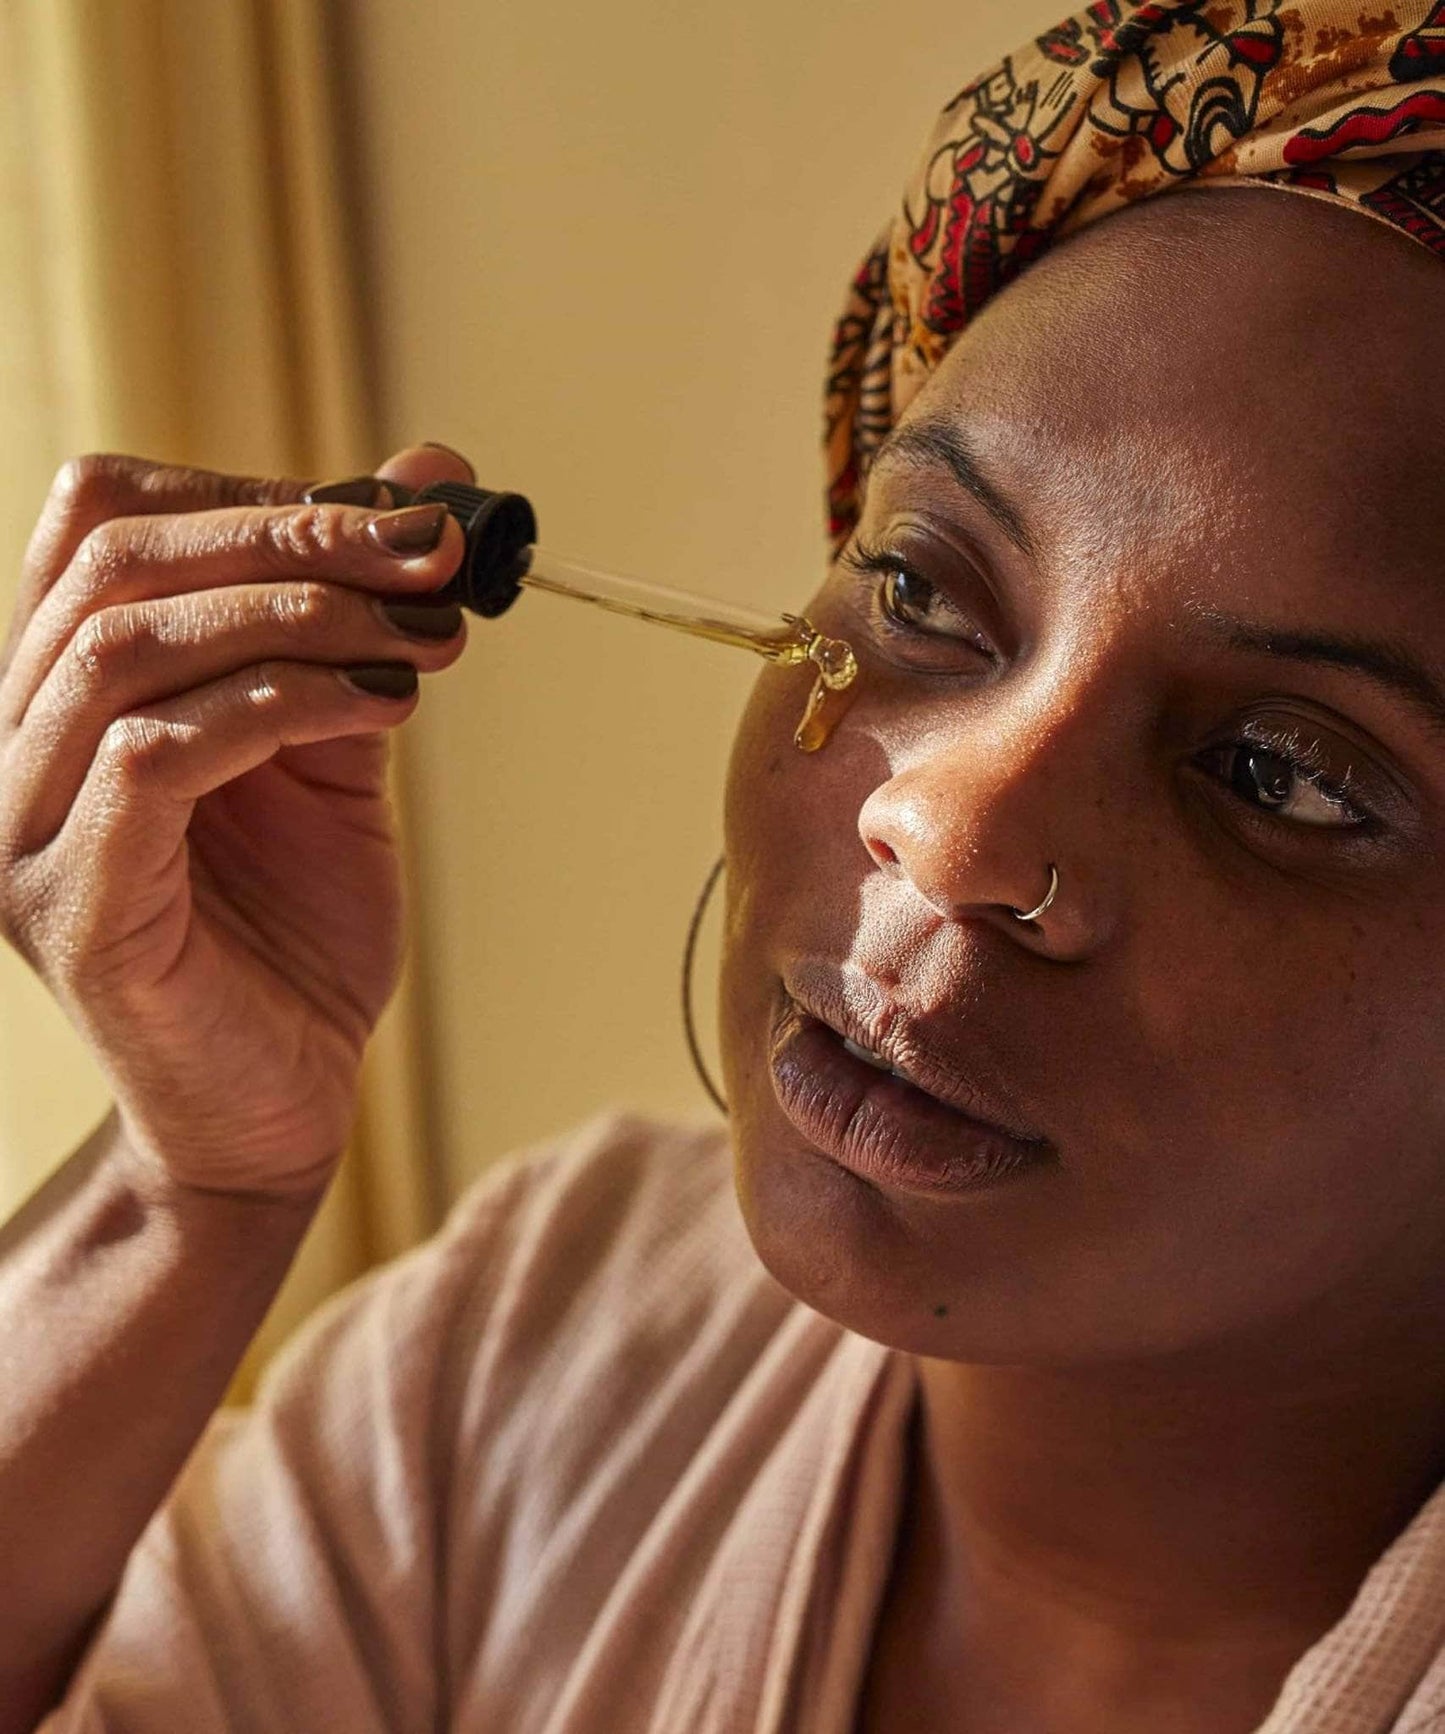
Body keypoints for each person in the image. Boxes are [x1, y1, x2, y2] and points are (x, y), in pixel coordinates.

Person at [3, 4, 1445, 1731]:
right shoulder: (552, 1353)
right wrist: (194, 1181)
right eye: (918, 589)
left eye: (1284, 773)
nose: (949, 833)